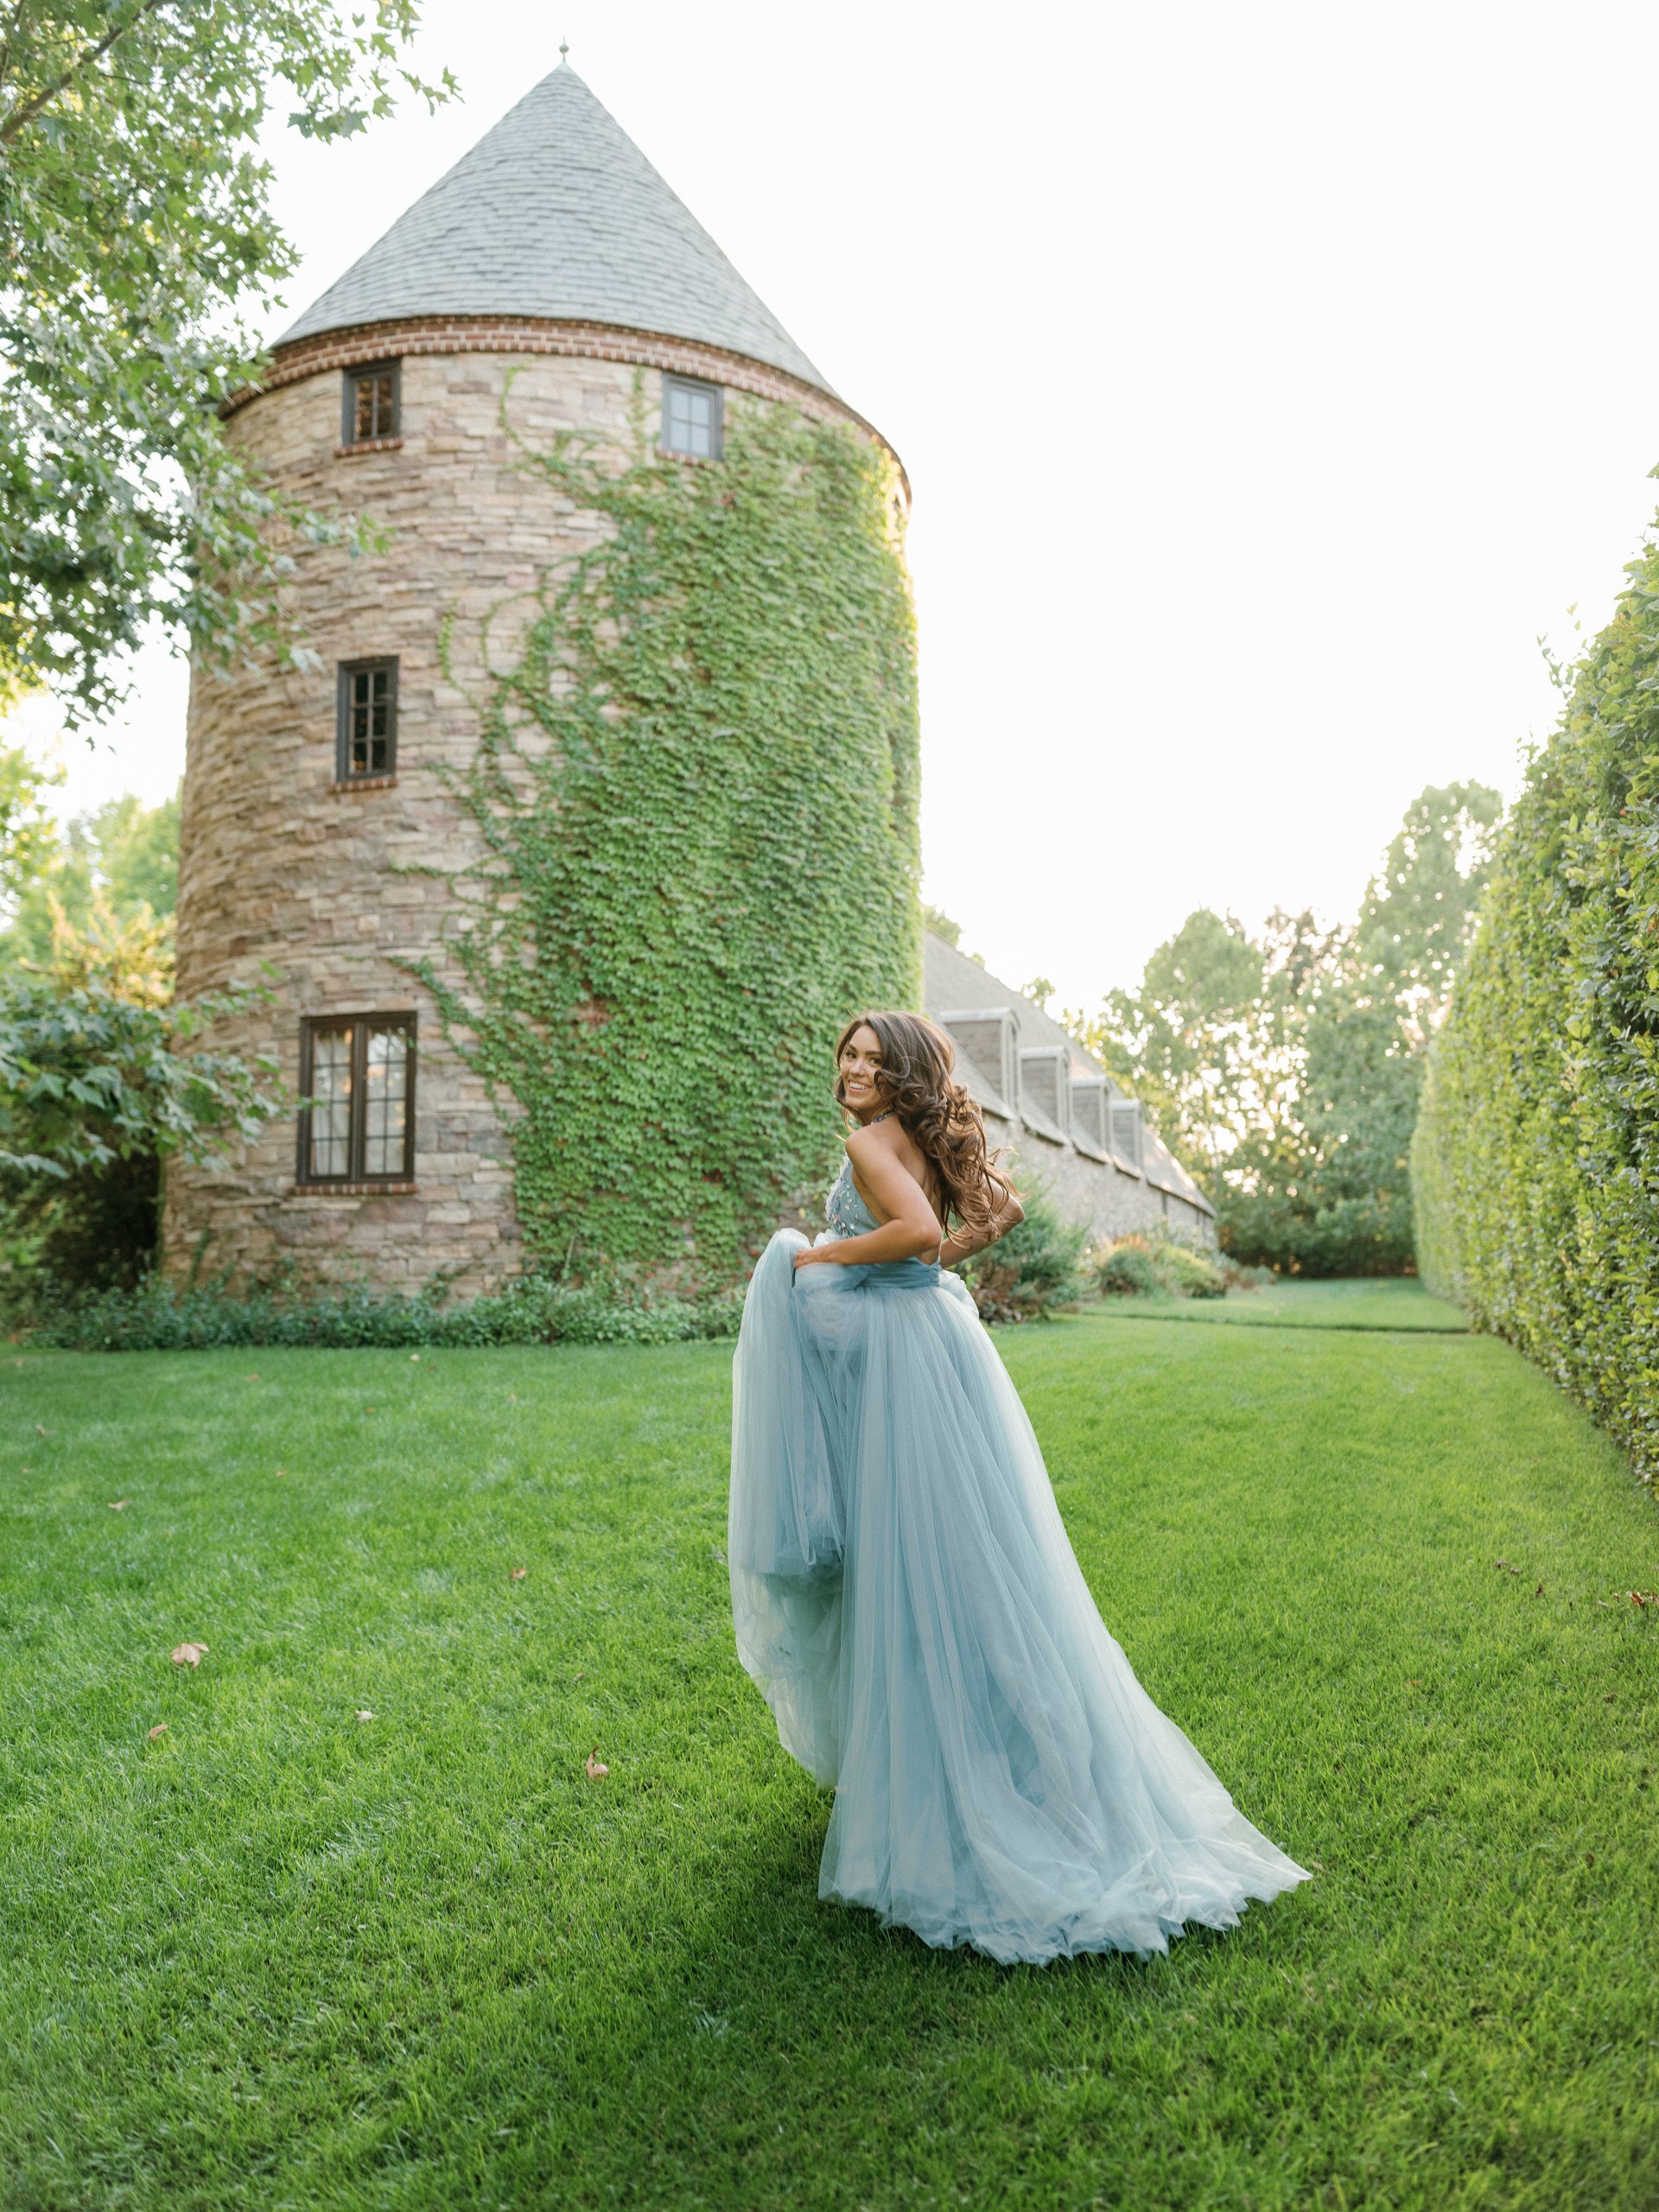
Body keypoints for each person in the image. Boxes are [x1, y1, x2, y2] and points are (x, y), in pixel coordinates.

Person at [728, 1009, 1308, 1965]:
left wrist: (823, 1257)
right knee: (971, 1557)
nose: (855, 1070)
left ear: (903, 1072)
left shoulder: (870, 1142)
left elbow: (914, 1230)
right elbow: (993, 1217)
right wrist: (926, 1273)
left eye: (874, 1059)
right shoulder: (924, 1135)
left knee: (916, 1560)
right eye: (849, 1054)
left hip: (904, 1368)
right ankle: (1003, 1748)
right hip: (939, 1346)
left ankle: (945, 1777)